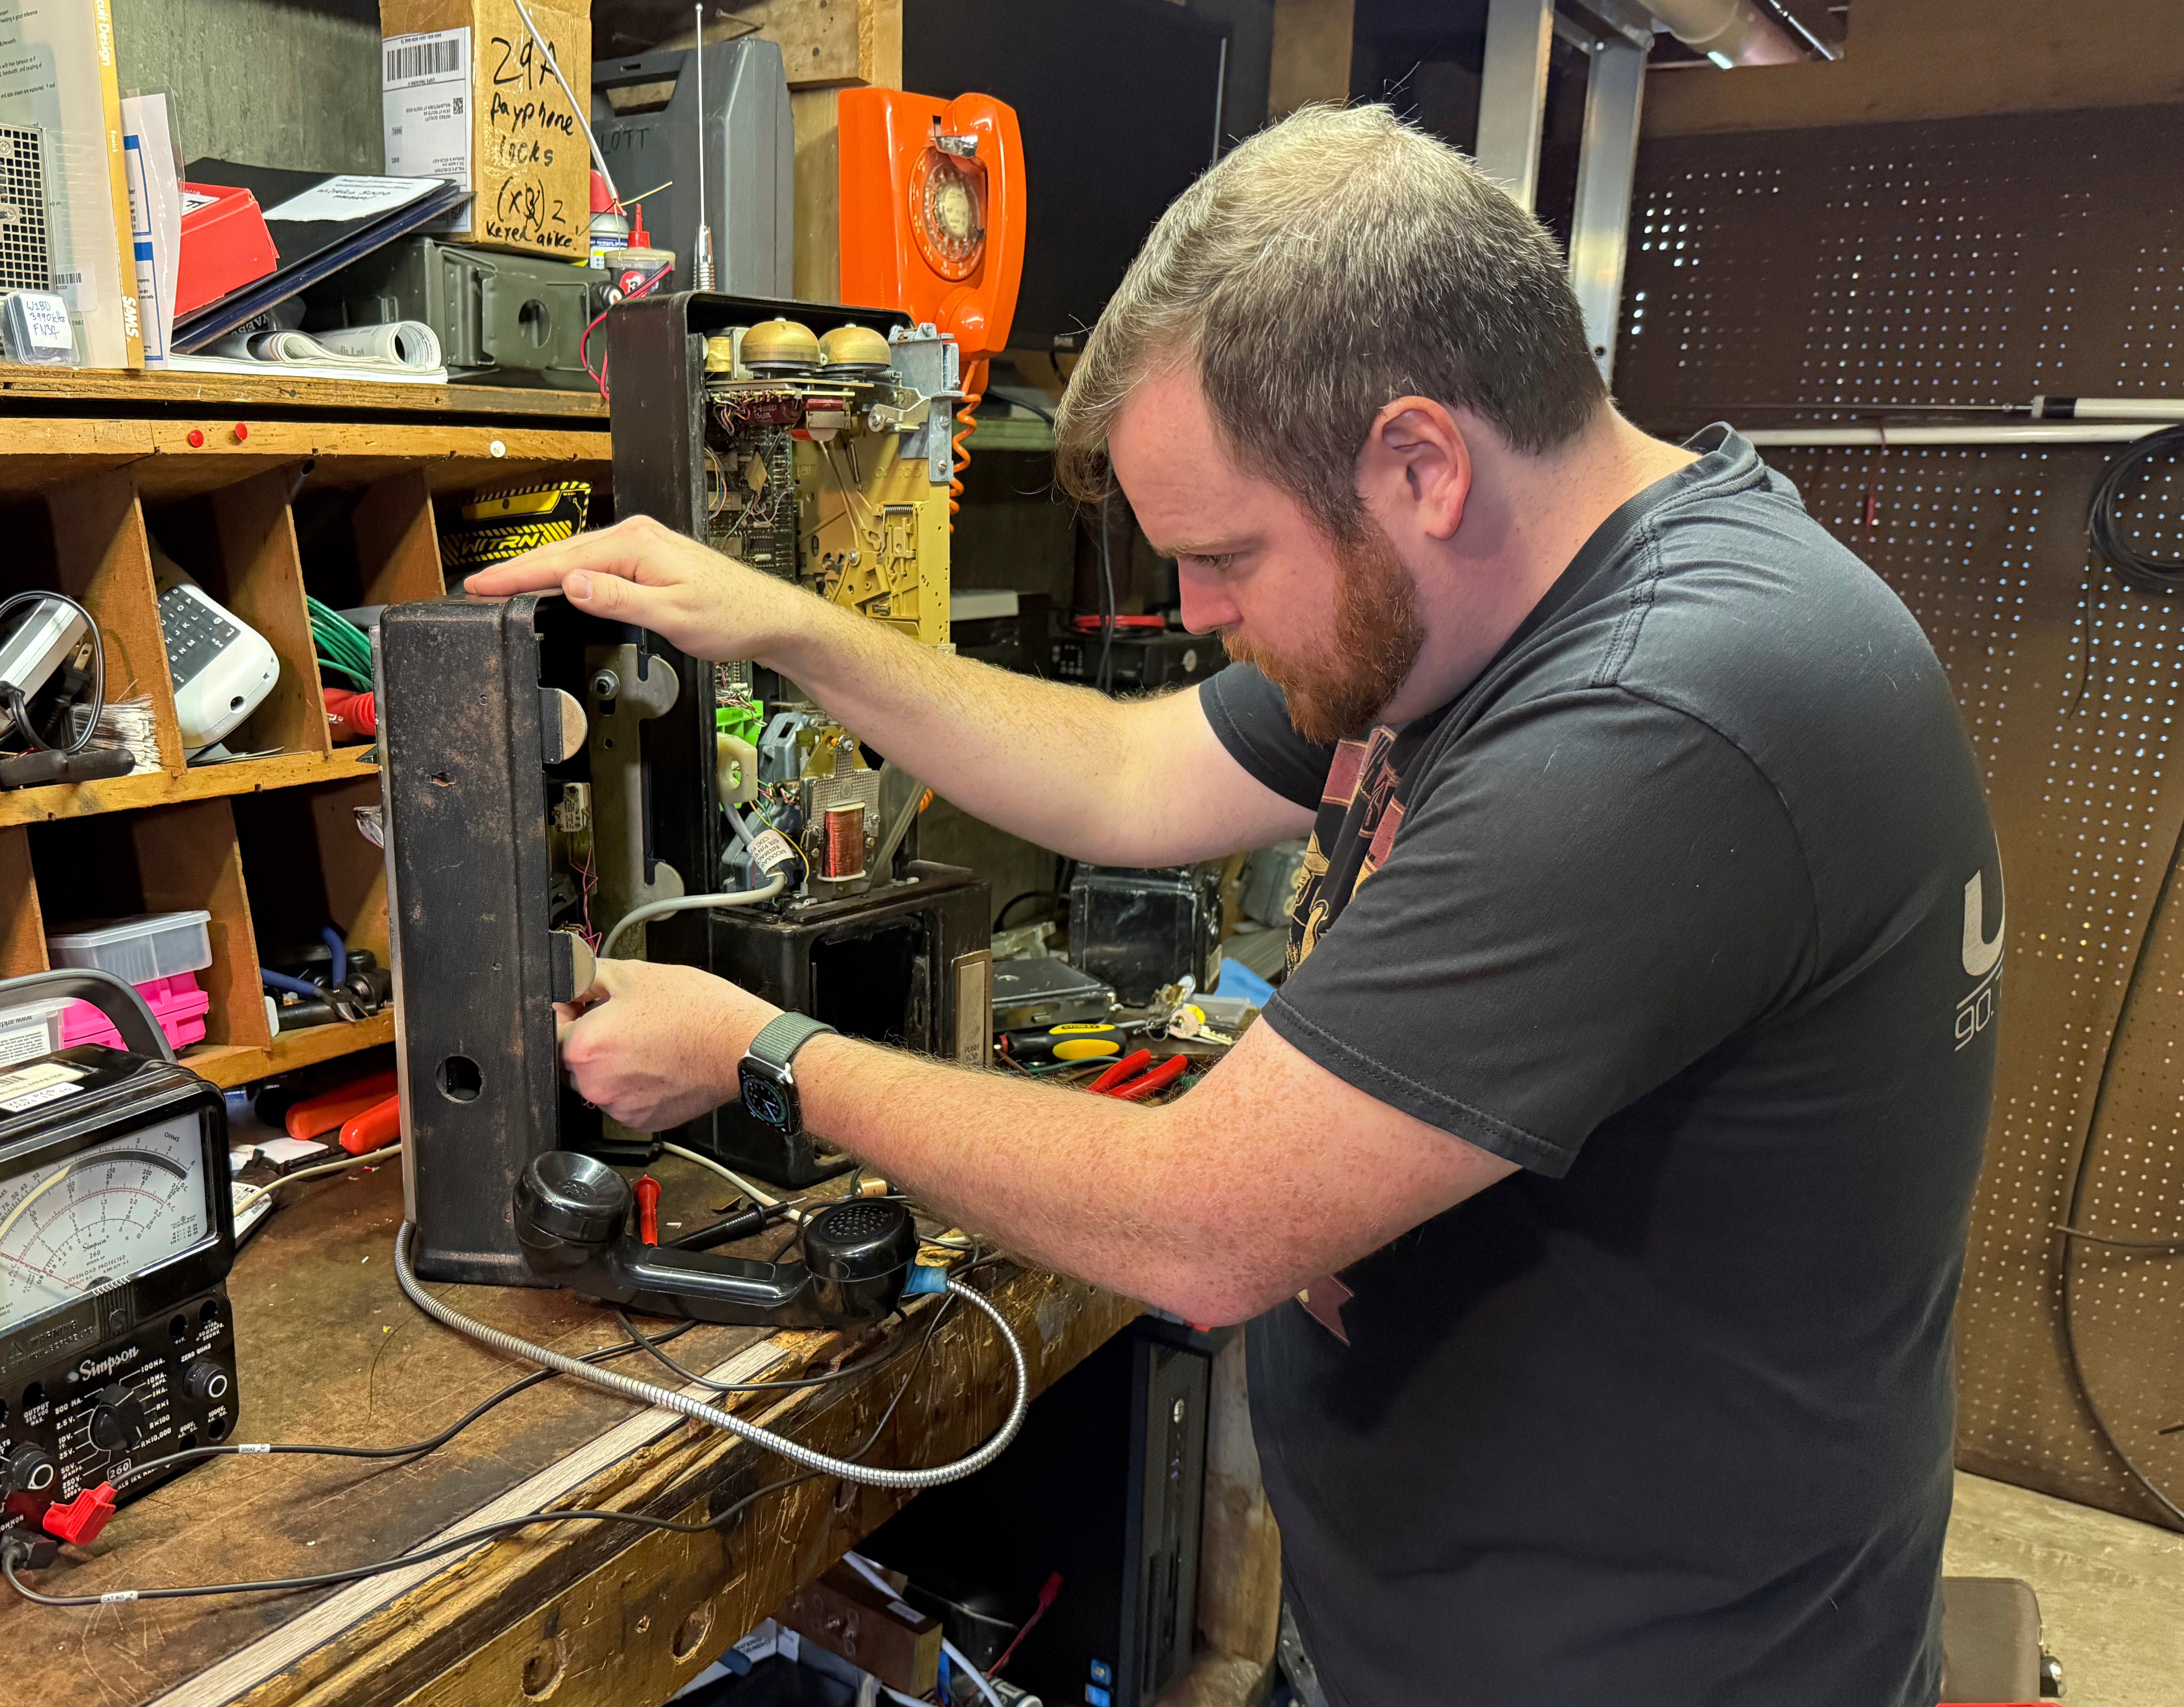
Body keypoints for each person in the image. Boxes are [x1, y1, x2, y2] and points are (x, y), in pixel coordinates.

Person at [467, 104, 1998, 1707]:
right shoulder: (1488, 611)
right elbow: (1129, 774)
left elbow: (1201, 1224)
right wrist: (784, 624)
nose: (1197, 612)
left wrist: (762, 1052)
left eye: (1226, 554)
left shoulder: (1665, 716)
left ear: (1422, 464)